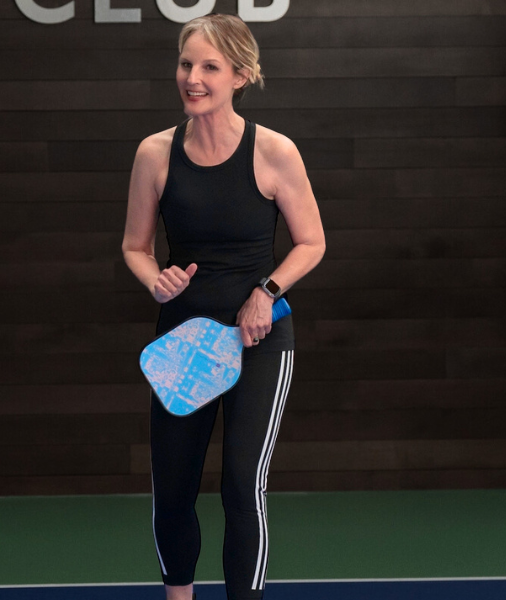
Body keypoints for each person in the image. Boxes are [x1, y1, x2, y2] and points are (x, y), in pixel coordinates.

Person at [121, 14, 325, 600]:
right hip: (184, 344)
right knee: (174, 489)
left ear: (240, 75)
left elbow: (311, 242)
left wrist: (266, 292)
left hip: (259, 342)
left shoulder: (274, 151)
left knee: (241, 483)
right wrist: (153, 280)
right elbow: (135, 248)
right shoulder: (155, 154)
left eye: (210, 66)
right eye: (187, 64)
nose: (194, 77)